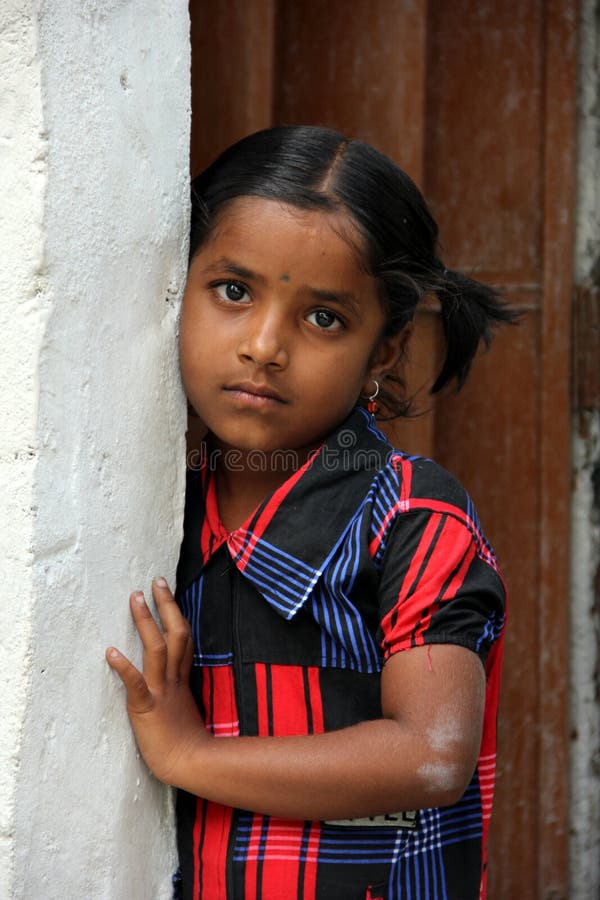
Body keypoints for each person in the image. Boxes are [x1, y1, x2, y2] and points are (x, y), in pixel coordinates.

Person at [106, 125, 514, 900]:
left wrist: (188, 756)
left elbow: (430, 754)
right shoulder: (158, 510)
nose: (264, 345)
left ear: (384, 352)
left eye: (323, 318)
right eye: (234, 291)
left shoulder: (415, 521)